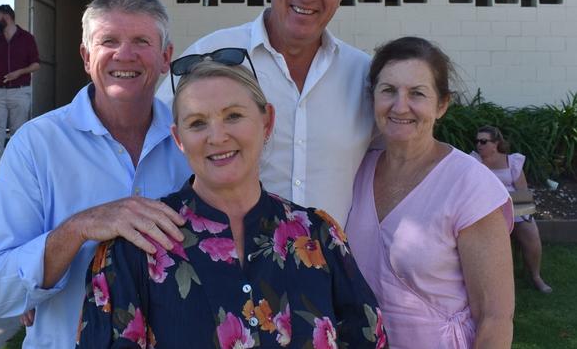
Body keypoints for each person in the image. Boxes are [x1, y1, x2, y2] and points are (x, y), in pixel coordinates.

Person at [78, 59, 386, 349]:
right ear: (178, 139)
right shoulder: (136, 246)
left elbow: (368, 339)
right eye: (198, 123)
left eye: (234, 116)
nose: (217, 136)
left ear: (267, 123)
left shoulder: (319, 237)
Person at [0, 0, 193, 348]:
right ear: (86, 56)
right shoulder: (35, 146)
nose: (125, 54)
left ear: (166, 57)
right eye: (109, 40)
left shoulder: (195, 144)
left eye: (141, 40)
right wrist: (77, 229)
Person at [158, 0, 373, 225]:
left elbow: (399, 163)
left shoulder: (364, 76)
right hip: (224, 265)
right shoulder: (207, 58)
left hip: (331, 269)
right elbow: (154, 144)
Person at [346, 36, 515, 349]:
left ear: (442, 104)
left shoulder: (469, 186)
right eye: (388, 91)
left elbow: (494, 317)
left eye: (417, 93)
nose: (400, 106)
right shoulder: (356, 171)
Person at [472, 125, 552, 294]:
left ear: (496, 144)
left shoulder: (512, 161)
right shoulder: (474, 162)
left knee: (531, 233)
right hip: (486, 208)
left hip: (514, 206)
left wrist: (526, 215)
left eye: (484, 141)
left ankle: (536, 276)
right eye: (477, 141)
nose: (479, 144)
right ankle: (488, 279)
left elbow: (522, 191)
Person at [0, 4, 40, 181]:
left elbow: (36, 64)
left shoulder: (27, 38)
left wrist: (19, 72)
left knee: (18, 131)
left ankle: (16, 169)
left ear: (7, 15)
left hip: (20, 91)